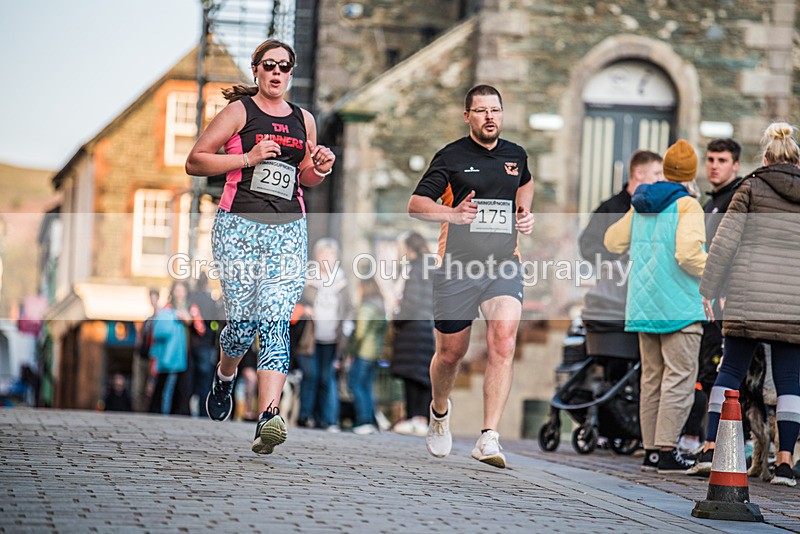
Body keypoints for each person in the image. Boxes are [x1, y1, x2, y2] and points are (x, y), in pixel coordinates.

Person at [185, 38, 334, 454]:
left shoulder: (303, 119)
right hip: (238, 226)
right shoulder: (239, 111)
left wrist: (319, 167)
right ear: (256, 69)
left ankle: (268, 415)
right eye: (269, 65)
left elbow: (305, 177)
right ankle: (225, 373)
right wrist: (248, 159)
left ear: (291, 72)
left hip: (288, 228)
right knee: (244, 323)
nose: (277, 72)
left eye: (285, 66)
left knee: (275, 316)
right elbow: (196, 160)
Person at [408, 84, 534, 468]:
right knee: (451, 354)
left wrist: (524, 212)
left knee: (503, 340)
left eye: (495, 110)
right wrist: (452, 214)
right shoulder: (451, 157)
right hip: (457, 265)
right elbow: (415, 204)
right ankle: (439, 411)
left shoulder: (516, 155)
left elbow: (524, 181)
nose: (489, 117)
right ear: (468, 116)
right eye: (481, 111)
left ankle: (488, 437)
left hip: (503, 264)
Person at [688, 122, 800, 487]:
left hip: (748, 296)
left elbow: (724, 243)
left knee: (730, 370)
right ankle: (784, 465)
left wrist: (708, 289)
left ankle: (711, 449)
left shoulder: (750, 187)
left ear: (765, 158)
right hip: (790, 303)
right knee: (789, 381)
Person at [605, 139, 707, 473]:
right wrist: (718, 272)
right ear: (691, 173)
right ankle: (666, 451)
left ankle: (650, 450)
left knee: (651, 378)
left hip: (643, 306)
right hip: (679, 305)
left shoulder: (641, 203)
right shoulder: (688, 206)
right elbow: (689, 255)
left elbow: (611, 241)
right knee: (679, 378)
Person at [679, 138, 744, 455]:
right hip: (702, 299)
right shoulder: (708, 203)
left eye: (721, 160)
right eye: (710, 159)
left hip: (726, 301)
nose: (714, 166)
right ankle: (699, 439)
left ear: (736, 165)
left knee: (720, 370)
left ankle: (720, 443)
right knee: (704, 370)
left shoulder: (737, 199)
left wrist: (723, 289)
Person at [295, 238, 354, 431]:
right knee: (310, 375)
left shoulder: (342, 282)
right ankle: (305, 416)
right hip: (309, 338)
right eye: (323, 254)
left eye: (330, 254)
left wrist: (345, 336)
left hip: (332, 339)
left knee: (326, 377)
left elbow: (348, 311)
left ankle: (327, 419)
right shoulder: (308, 280)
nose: (326, 258)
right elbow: (296, 303)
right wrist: (305, 310)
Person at [578, 150, 664, 263]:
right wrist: (618, 262)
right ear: (639, 173)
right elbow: (588, 246)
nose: (661, 179)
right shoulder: (609, 208)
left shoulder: (660, 209)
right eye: (657, 174)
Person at [390, 232, 436, 436]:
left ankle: (415, 418)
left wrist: (397, 319)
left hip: (413, 326)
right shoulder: (432, 266)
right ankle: (421, 418)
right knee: (423, 374)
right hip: (428, 325)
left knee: (412, 375)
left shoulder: (416, 268)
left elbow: (412, 301)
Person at [149, 281, 200, 416]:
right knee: (164, 381)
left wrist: (188, 318)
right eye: (177, 290)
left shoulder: (191, 307)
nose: (179, 293)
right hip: (168, 351)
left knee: (183, 384)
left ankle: (179, 411)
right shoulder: (168, 308)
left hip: (186, 351)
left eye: (181, 290)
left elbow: (200, 328)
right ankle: (160, 410)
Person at [347, 277, 388, 435]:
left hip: (363, 351)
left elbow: (360, 332)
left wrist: (351, 350)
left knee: (356, 384)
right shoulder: (380, 307)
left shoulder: (366, 307)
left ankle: (363, 419)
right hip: (374, 353)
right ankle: (370, 419)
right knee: (367, 386)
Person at [189, 272, 223, 418]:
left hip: (192, 344)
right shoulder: (211, 301)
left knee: (192, 378)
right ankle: (203, 411)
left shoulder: (191, 298)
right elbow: (215, 323)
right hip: (207, 345)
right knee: (205, 381)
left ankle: (189, 408)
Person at [131, 288, 160, 412]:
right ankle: (138, 412)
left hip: (153, 357)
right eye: (150, 298)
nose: (152, 301)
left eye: (154, 298)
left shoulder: (161, 317)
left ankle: (148, 413)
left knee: (151, 388)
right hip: (141, 356)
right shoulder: (148, 320)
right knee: (138, 388)